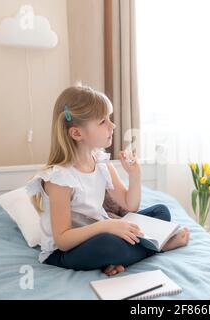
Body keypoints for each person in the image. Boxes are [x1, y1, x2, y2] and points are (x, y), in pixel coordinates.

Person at [26, 84, 189, 275]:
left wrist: (134, 175)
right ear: (77, 133)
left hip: (100, 232)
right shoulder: (60, 178)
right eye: (103, 121)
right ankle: (160, 246)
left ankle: (120, 258)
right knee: (109, 246)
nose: (112, 126)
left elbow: (130, 206)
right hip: (65, 252)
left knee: (161, 212)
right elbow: (62, 240)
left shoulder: (101, 162)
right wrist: (107, 225)